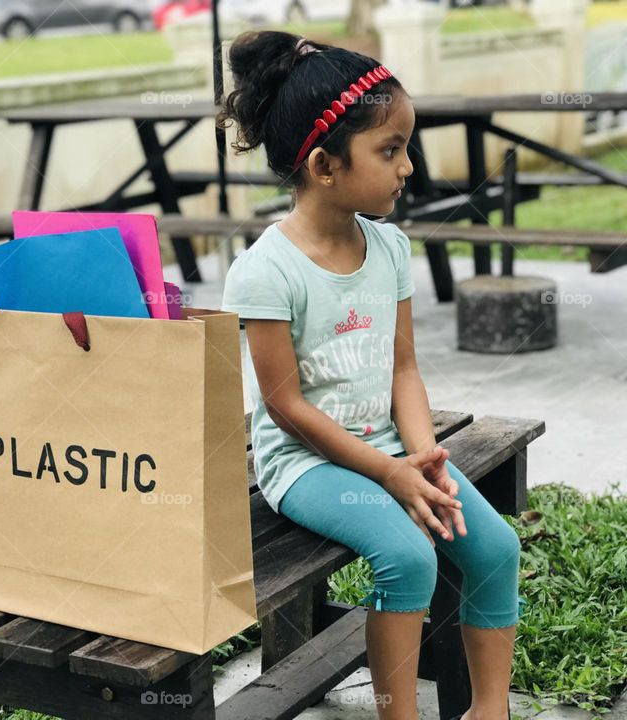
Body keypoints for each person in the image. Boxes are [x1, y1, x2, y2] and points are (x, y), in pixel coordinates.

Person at [217, 31, 526, 720]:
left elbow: (404, 367)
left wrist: (422, 456)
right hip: (304, 465)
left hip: (391, 448)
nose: (408, 167)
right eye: (390, 150)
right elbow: (286, 405)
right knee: (409, 558)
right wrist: (389, 474)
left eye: (405, 147)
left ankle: (490, 710)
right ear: (325, 165)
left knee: (496, 547)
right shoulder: (266, 270)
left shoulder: (388, 246)